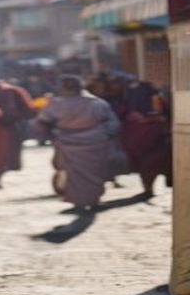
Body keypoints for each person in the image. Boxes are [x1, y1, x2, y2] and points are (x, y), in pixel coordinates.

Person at [36, 76, 121, 211]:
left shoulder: (55, 104)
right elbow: (112, 122)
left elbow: (42, 122)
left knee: (74, 174)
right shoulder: (96, 102)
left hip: (68, 142)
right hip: (95, 141)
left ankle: (79, 202)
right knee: (95, 172)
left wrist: (51, 136)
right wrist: (106, 134)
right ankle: (93, 200)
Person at [119, 79, 173, 197]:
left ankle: (148, 188)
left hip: (140, 141)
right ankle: (155, 186)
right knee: (159, 162)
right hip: (157, 137)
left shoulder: (129, 108)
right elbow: (166, 115)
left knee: (146, 165)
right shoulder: (157, 98)